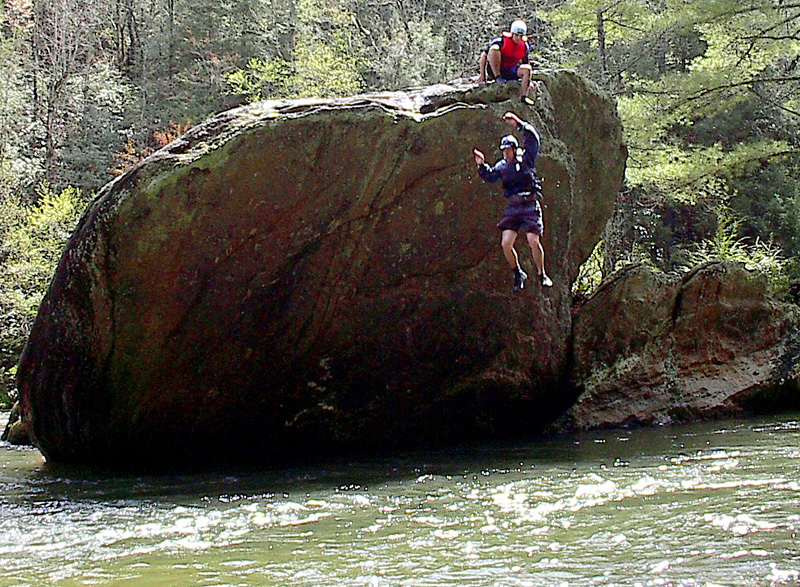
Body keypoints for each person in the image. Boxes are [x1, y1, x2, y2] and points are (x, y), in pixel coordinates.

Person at [474, 111, 553, 291]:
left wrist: (519, 123)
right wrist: (481, 164)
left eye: (508, 150)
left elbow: (533, 138)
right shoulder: (502, 166)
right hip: (514, 207)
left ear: (515, 149)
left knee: (533, 240)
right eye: (504, 150)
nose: (506, 153)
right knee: (506, 243)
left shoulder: (526, 160)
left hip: (530, 204)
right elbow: (491, 176)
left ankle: (542, 273)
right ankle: (517, 273)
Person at [476, 20, 535, 105]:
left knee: (527, 69)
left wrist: (529, 80)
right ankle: (498, 78)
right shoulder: (500, 41)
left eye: (521, 36)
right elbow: (484, 56)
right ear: (512, 34)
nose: (518, 38)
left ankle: (524, 97)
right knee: (494, 49)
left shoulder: (524, 46)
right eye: (516, 35)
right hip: (496, 70)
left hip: (511, 71)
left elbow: (526, 62)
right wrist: (482, 75)